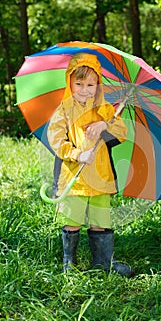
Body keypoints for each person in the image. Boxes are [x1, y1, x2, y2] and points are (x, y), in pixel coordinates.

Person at [47, 53, 134, 277]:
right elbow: (56, 139)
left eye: (90, 84)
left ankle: (103, 264)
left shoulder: (106, 109)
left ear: (98, 85)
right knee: (72, 221)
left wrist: (104, 124)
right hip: (74, 177)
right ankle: (70, 264)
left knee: (100, 222)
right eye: (79, 83)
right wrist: (77, 154)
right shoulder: (64, 110)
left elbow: (121, 132)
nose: (85, 89)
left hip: (101, 176)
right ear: (70, 83)